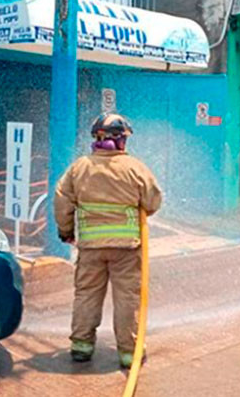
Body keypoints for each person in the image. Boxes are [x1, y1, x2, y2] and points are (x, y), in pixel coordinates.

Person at [54, 113, 163, 369]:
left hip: (90, 247)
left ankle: (81, 345)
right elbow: (153, 202)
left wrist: (66, 231)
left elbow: (62, 200)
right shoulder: (135, 167)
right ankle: (129, 353)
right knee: (127, 297)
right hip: (126, 248)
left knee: (86, 294)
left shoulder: (79, 167)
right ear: (121, 140)